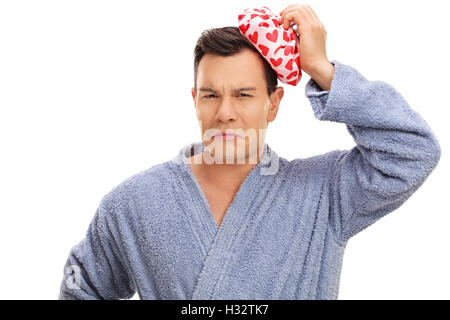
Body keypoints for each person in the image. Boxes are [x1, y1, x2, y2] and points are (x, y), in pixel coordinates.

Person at [59, 4, 441, 300]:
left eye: (244, 95)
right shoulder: (131, 204)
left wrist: (322, 69)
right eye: (211, 95)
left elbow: (414, 150)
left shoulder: (323, 194)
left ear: (273, 104)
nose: (225, 113)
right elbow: (81, 289)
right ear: (195, 101)